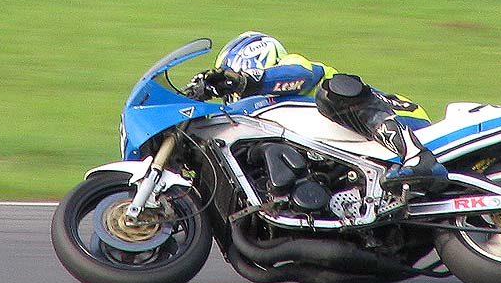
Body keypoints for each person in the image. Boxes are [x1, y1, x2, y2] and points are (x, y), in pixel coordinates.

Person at [191, 31, 447, 191]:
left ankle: (418, 158)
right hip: (359, 150)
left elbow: (302, 75)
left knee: (331, 92)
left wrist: (245, 80)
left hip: (404, 121)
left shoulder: (293, 67)